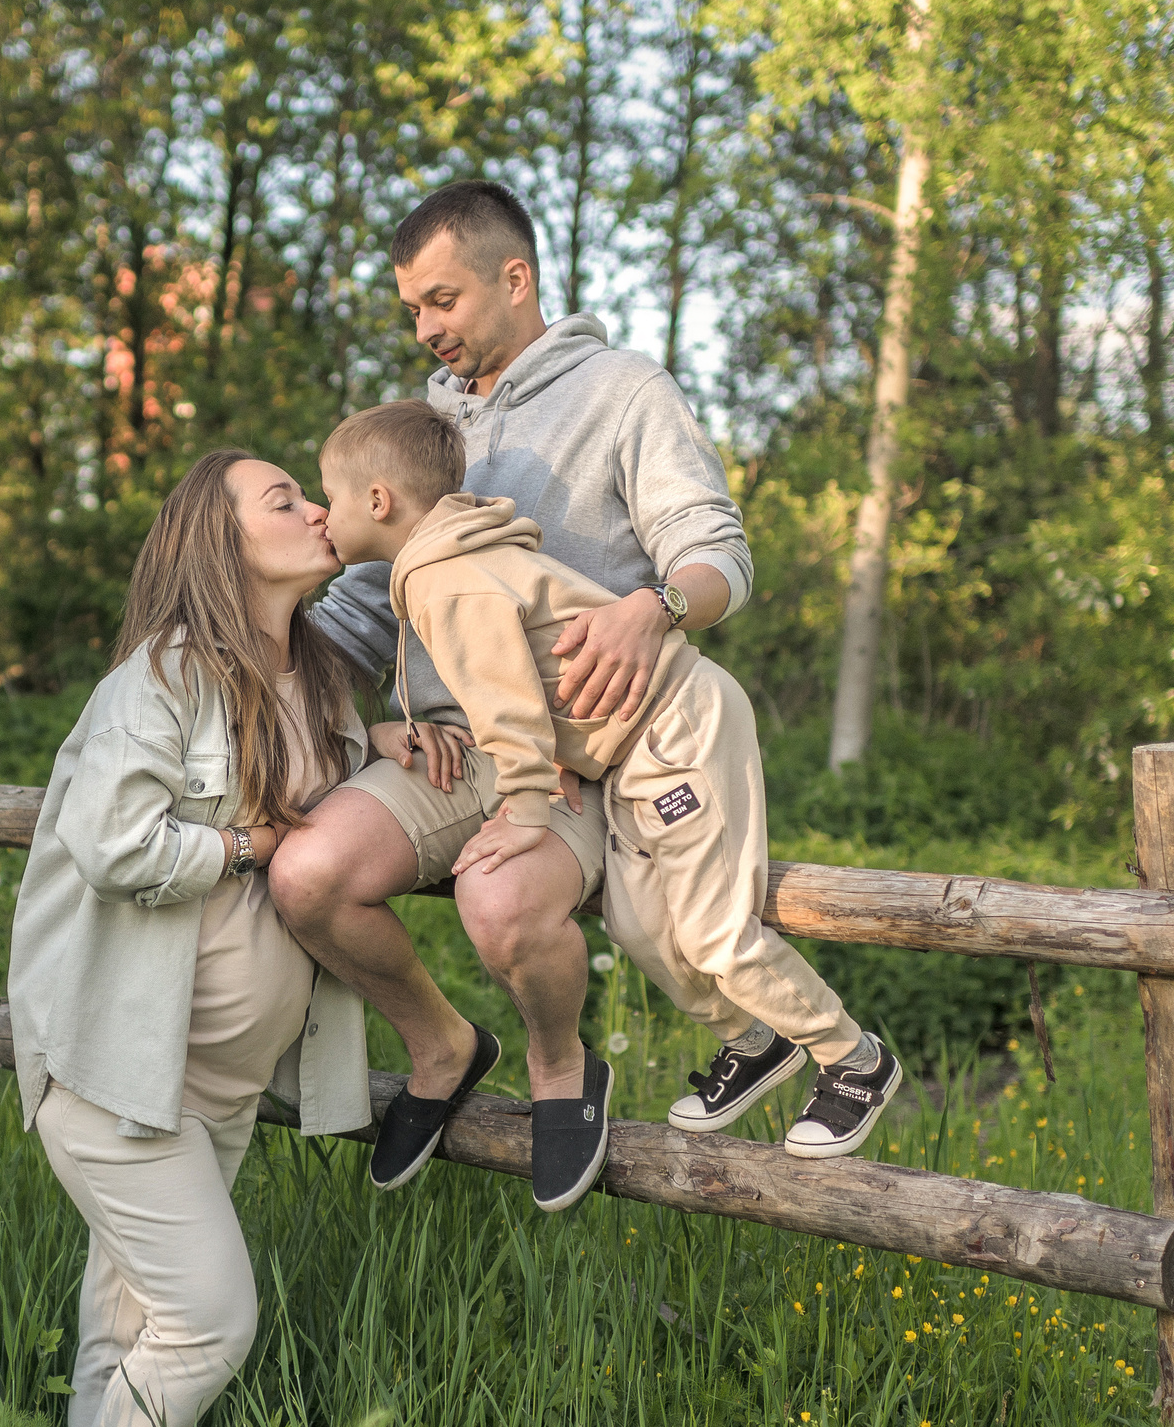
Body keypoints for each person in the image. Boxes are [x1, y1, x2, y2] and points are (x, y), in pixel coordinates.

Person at [272, 179, 754, 1184]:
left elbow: (716, 553)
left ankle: (559, 1062)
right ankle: (443, 1046)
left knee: (499, 906)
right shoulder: (421, 422)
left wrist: (654, 606)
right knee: (305, 876)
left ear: (516, 278)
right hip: (449, 750)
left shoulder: (624, 391)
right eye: (413, 307)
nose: (424, 327)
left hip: (572, 746)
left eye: (441, 300)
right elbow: (361, 609)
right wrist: (341, 718)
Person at [8, 448, 447, 1427]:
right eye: (283, 498)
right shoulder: (160, 680)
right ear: (222, 541)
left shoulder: (319, 683)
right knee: (210, 1321)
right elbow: (114, 842)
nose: (316, 508)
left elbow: (316, 800)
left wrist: (379, 746)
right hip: (117, 1074)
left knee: (129, 1327)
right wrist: (248, 845)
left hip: (217, 1084)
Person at [316, 402, 904, 1206]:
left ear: (378, 501)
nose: (323, 513)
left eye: (331, 497)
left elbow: (508, 704)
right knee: (635, 923)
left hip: (673, 724)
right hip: (625, 751)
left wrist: (523, 808)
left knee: (714, 931)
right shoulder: (451, 556)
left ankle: (854, 1059)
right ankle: (754, 1041)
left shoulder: (445, 577)